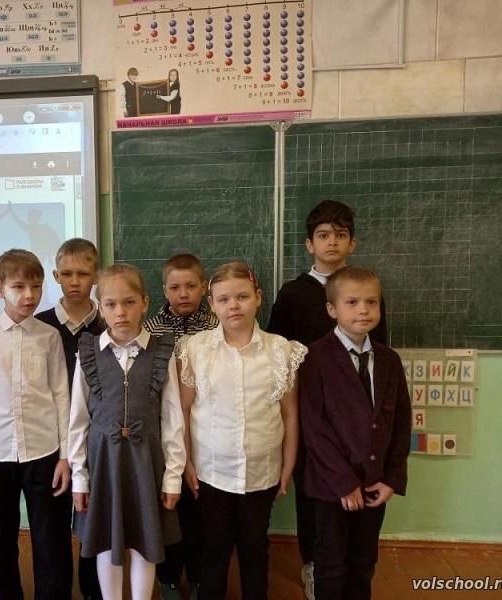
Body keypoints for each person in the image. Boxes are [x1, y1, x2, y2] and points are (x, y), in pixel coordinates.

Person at [266, 199, 387, 600]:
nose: (331, 241)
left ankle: (350, 566)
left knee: (356, 489)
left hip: (357, 414)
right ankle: (314, 563)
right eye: (323, 235)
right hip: (309, 411)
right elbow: (278, 351)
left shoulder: (367, 290)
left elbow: (380, 352)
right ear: (309, 244)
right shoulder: (293, 293)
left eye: (340, 234)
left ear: (353, 242)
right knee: (314, 489)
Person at [179, 261, 306, 600]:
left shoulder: (281, 350)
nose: (233, 306)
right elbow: (184, 410)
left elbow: (290, 413)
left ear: (258, 298)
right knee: (215, 544)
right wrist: (186, 461)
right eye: (223, 299)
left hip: (262, 470)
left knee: (254, 544)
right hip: (211, 470)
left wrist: (288, 464)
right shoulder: (195, 349)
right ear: (212, 304)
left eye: (242, 297)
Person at [69, 264, 185, 600]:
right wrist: (79, 477)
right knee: (107, 540)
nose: (120, 312)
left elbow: (172, 418)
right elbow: (78, 418)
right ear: (100, 307)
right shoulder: (88, 351)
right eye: (111, 304)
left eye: (129, 302)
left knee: (144, 541)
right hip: (102, 463)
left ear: (145, 302)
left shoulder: (162, 351)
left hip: (146, 462)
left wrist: (173, 477)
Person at [0, 248, 72, 600]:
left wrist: (65, 456)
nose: (29, 295)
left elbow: (62, 396)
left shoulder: (49, 336)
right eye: (19, 287)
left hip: (44, 452)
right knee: (1, 541)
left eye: (36, 287)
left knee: (50, 541)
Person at [299, 266, 410, 600]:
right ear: (332, 309)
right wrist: (344, 482)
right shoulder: (314, 358)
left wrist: (392, 478)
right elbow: (314, 429)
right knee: (331, 564)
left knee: (364, 563)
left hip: (375, 484)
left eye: (371, 302)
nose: (363, 309)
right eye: (352, 302)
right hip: (331, 487)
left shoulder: (389, 360)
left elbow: (401, 423)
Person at [143, 253, 217, 600]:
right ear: (164, 290)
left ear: (204, 287)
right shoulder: (150, 329)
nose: (183, 293)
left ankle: (200, 576)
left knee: (200, 509)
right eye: (175, 287)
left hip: (206, 432)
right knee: (169, 507)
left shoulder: (217, 324)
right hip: (165, 432)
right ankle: (169, 577)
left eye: (190, 286)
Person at [35, 238, 105, 600]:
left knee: (94, 523)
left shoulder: (111, 323)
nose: (74, 281)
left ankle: (93, 590)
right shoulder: (39, 326)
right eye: (66, 274)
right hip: (51, 442)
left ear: (96, 275)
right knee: (52, 525)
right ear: (55, 276)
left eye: (83, 273)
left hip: (98, 440)